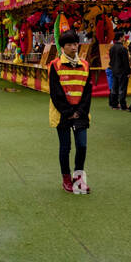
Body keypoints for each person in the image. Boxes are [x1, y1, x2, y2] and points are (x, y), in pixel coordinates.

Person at [50, 31, 93, 194]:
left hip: (81, 113)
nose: (74, 47)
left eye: (75, 44)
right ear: (63, 47)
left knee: (82, 146)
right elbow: (55, 92)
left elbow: (88, 91)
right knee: (65, 147)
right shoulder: (55, 65)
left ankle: (79, 178)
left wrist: (80, 111)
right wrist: (68, 111)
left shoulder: (85, 65)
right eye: (69, 45)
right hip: (62, 113)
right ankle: (66, 178)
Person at [108, 32, 130, 110]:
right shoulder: (123, 48)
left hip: (114, 70)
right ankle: (123, 105)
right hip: (122, 71)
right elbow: (126, 62)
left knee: (114, 88)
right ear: (121, 38)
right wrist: (128, 72)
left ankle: (114, 105)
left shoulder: (112, 48)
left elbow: (111, 60)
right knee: (122, 89)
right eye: (123, 37)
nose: (124, 38)